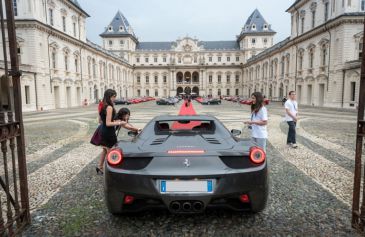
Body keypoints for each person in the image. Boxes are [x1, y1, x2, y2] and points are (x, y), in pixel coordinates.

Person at [96, 89, 128, 175]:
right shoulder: (109, 107)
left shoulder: (102, 105)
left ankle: (100, 167)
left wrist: (113, 120)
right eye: (114, 96)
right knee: (112, 152)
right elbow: (108, 123)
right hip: (108, 132)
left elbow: (100, 121)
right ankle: (113, 171)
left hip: (103, 131)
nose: (114, 98)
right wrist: (120, 122)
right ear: (109, 96)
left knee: (105, 150)